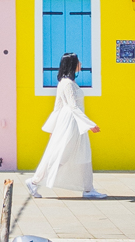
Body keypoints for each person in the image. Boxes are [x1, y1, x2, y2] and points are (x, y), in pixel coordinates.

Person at [25, 53, 106, 200]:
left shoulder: (66, 83)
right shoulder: (67, 83)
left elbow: (58, 106)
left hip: (73, 123)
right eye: (78, 61)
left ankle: (89, 189)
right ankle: (34, 181)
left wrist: (53, 128)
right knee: (61, 155)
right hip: (72, 124)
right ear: (72, 64)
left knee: (83, 154)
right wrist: (90, 125)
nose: (80, 63)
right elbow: (72, 107)